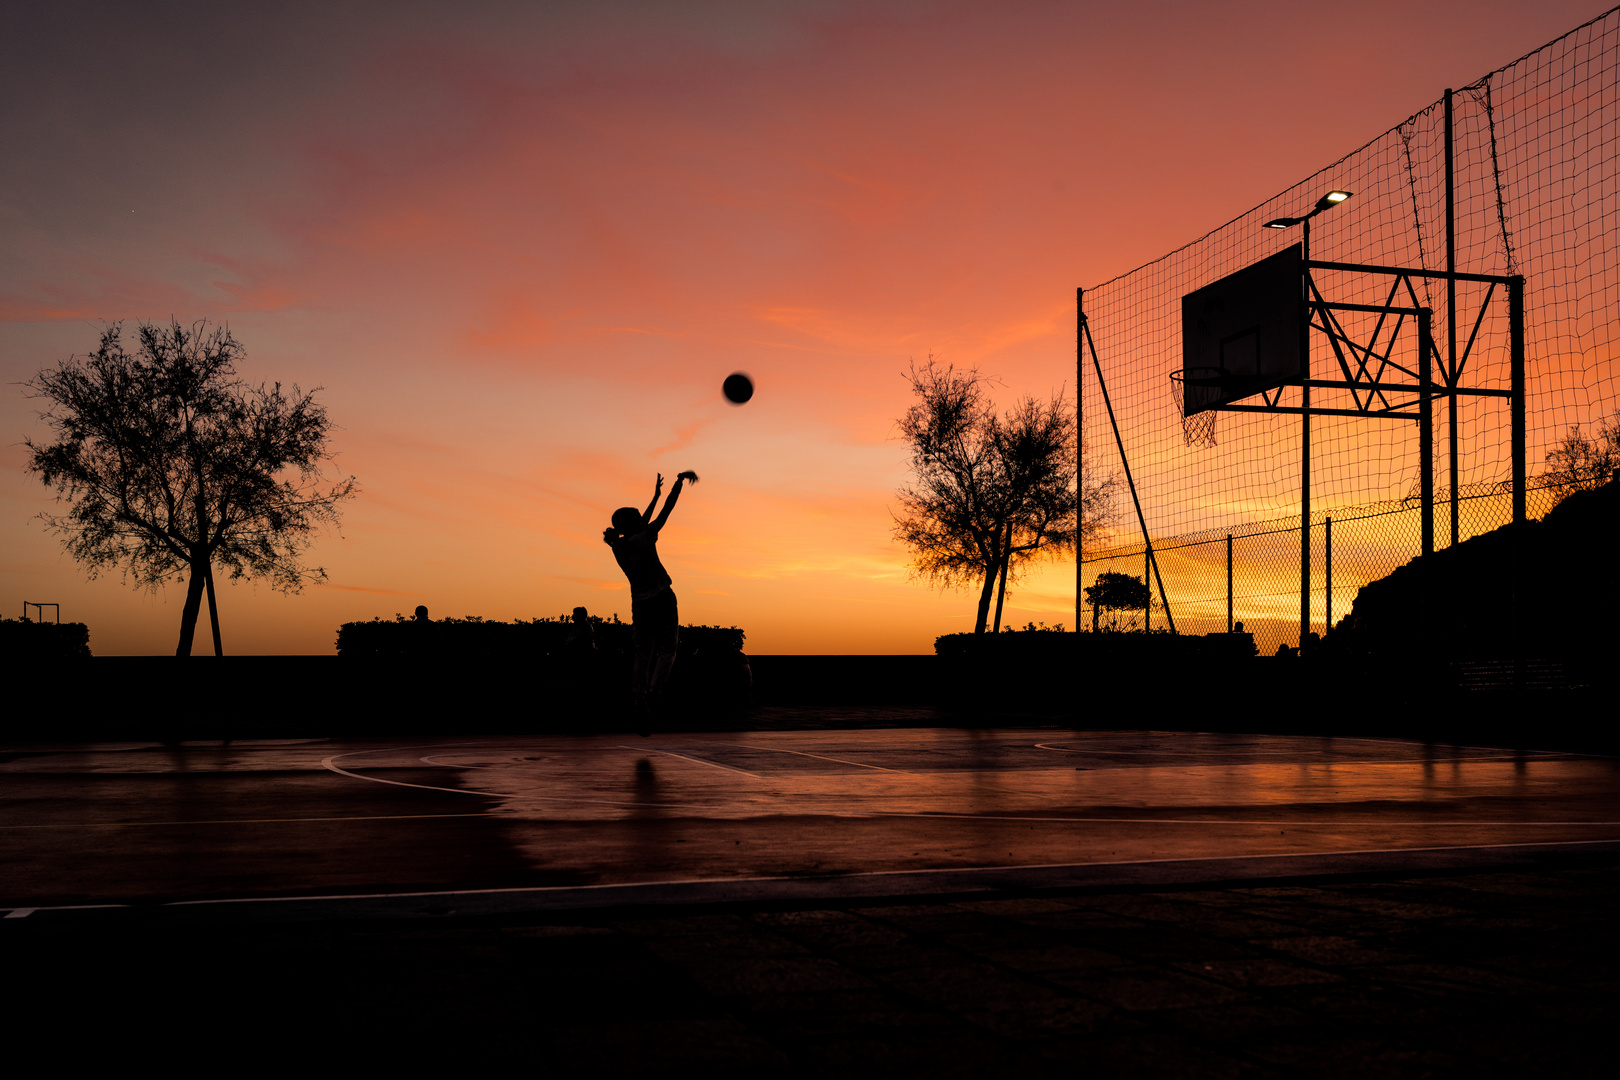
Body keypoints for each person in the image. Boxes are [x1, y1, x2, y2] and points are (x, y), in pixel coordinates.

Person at [603, 470, 697, 720]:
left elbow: (641, 520)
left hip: (640, 604)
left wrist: (655, 495)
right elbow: (667, 510)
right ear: (633, 523)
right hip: (662, 598)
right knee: (668, 649)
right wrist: (676, 486)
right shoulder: (646, 537)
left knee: (643, 652)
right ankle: (654, 693)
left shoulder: (619, 546)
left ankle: (638, 696)